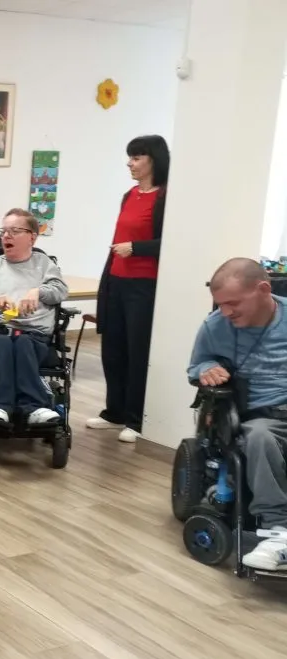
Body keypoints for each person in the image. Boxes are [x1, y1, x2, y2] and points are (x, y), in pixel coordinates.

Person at [188, 258, 287, 571]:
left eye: (233, 303)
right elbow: (196, 364)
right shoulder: (215, 326)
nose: (226, 311)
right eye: (220, 304)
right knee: (259, 437)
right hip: (259, 416)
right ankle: (280, 532)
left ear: (263, 289)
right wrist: (207, 369)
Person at [90, 135, 170, 443]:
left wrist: (136, 248)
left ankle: (136, 420)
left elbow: (171, 241)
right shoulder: (130, 195)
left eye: (136, 158)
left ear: (154, 160)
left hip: (144, 285)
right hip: (116, 280)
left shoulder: (165, 197)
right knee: (113, 350)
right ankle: (115, 412)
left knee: (137, 352)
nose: (130, 163)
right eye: (130, 157)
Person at [0, 209, 68, 427]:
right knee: (3, 344)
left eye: (14, 231)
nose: (6, 236)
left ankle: (33, 408)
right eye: (4, 231)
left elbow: (60, 290)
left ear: (32, 237)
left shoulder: (44, 264)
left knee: (23, 343)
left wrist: (38, 291)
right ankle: (1, 407)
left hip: (34, 332)